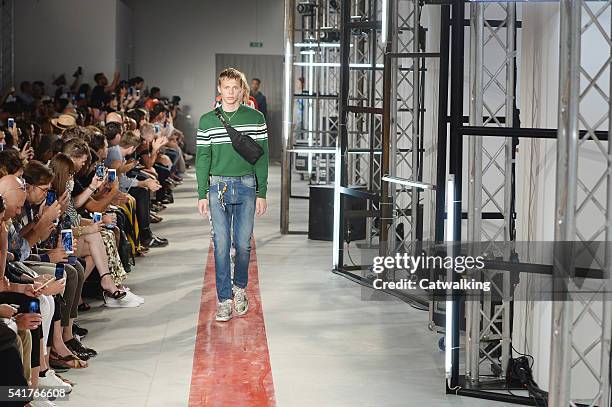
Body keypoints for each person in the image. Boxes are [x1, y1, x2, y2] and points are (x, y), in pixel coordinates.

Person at [196, 68, 269, 322]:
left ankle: (239, 289)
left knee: (243, 244)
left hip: (247, 186)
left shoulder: (256, 117)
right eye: (226, 87)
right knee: (222, 245)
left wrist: (262, 192)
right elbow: (203, 158)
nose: (230, 92)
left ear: (242, 90)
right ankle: (224, 300)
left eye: (235, 87)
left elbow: (262, 157)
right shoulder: (207, 120)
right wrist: (201, 193)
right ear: (219, 89)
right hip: (217, 187)